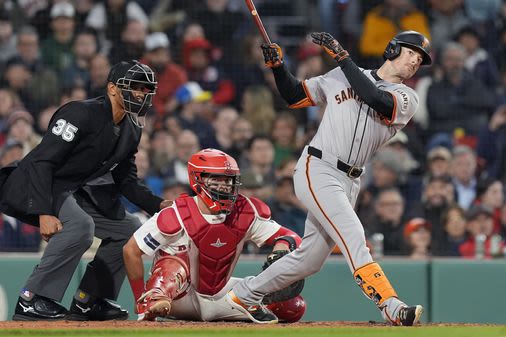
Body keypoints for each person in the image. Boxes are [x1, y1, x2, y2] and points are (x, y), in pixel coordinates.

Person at [226, 30, 432, 326]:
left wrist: (343, 57)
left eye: (420, 59)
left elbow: (376, 98)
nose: (415, 61)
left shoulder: (406, 96)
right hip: (318, 167)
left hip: (351, 180)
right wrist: (278, 68)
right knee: (353, 234)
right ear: (392, 49)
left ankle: (243, 295)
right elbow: (295, 96)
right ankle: (390, 305)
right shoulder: (342, 74)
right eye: (411, 53)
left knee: (310, 260)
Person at [0, 60, 171, 321]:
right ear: (113, 89)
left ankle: (87, 302)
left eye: (147, 89)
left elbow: (126, 180)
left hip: (71, 190)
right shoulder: (79, 113)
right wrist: (44, 211)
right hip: (32, 183)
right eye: (135, 87)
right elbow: (42, 161)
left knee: (128, 229)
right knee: (80, 225)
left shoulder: (132, 128)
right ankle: (31, 299)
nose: (142, 94)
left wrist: (159, 205)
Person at [122, 148, 306, 322]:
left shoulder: (245, 211)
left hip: (219, 293)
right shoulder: (177, 213)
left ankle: (228, 311)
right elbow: (131, 250)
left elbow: (292, 237)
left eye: (229, 180)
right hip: (180, 297)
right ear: (197, 180)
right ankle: (152, 298)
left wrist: (282, 246)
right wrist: (140, 297)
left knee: (294, 306)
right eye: (217, 180)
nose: (225, 186)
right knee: (175, 260)